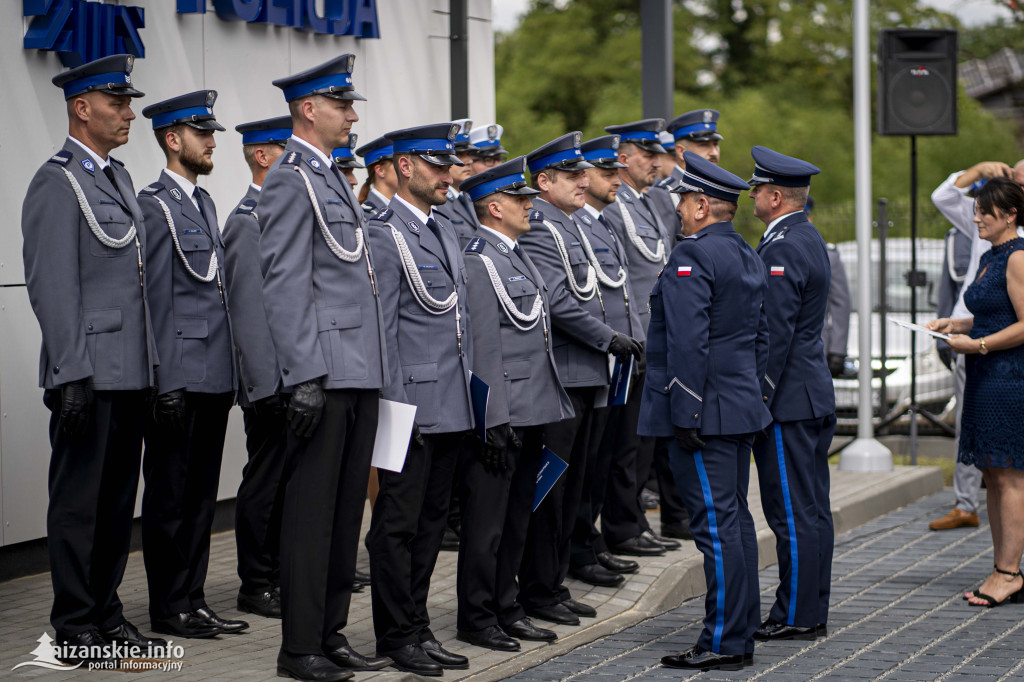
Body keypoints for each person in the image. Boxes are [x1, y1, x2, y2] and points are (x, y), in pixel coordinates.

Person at [23, 54, 163, 662]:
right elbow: (52, 286)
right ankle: (75, 623)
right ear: (83, 108)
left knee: (114, 505)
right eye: (117, 103)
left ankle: (106, 613)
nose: (129, 112)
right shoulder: (56, 181)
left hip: (129, 371)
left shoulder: (118, 179)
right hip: (90, 374)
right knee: (79, 505)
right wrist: (71, 372)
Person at [259, 54, 391, 681]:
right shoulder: (291, 177)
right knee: (312, 517)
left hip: (358, 369)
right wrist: (303, 374)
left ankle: (331, 632)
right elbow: (284, 282)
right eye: (343, 105)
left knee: (344, 514)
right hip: (326, 372)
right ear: (310, 109)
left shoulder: (332, 176)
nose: (353, 115)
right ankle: (299, 646)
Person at [640, 151, 769, 672]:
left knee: (716, 528)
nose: (676, 210)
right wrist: (754, 394)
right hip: (737, 407)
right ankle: (738, 632)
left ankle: (722, 641)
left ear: (698, 205)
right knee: (734, 523)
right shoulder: (746, 253)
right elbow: (761, 337)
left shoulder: (691, 256)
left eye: (681, 202)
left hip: (705, 414)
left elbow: (688, 342)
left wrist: (686, 413)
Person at [516, 132, 643, 627]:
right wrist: (609, 338)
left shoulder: (570, 226)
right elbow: (558, 300)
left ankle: (553, 582)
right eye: (572, 175)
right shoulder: (543, 227)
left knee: (575, 488)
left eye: (582, 173)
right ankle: (539, 589)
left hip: (587, 373)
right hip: (566, 375)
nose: (583, 181)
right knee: (551, 491)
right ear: (544, 182)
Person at [364, 123, 475, 676]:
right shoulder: (383, 233)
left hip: (450, 402)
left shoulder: (442, 229)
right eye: (436, 164)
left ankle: (418, 624)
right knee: (396, 525)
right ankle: (395, 634)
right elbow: (382, 331)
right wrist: (393, 407)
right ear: (405, 167)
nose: (448, 175)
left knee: (431, 526)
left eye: (450, 164)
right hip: (409, 405)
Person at [137, 90, 246, 640]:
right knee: (170, 497)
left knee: (201, 497)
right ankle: (168, 605)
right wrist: (166, 380)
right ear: (173, 139)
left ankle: (194, 597)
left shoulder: (203, 203)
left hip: (214, 375)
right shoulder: (152, 205)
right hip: (181, 376)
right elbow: (153, 297)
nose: (211, 142)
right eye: (202, 133)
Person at [456, 156, 574, 651]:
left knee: (517, 519)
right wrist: (493, 417)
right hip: (504, 413)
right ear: (495, 206)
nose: (531, 206)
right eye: (522, 200)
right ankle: (478, 617)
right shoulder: (479, 259)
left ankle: (508, 605)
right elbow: (482, 347)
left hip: (532, 408)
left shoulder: (516, 253)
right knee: (486, 526)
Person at [748, 146, 836, 642]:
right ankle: (808, 607)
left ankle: (797, 615)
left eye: (757, 188)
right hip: (808, 392)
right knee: (811, 508)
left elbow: (774, 335)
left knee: (792, 511)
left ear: (776, 196)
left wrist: (759, 396)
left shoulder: (782, 246)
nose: (753, 195)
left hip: (788, 400)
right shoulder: (804, 235)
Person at [928, 177, 1024, 608]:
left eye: (986, 211)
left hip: (1008, 378)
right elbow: (992, 312)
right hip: (987, 374)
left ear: (1010, 215)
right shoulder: (993, 254)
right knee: (992, 473)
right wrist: (956, 325)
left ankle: (1009, 573)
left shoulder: (1018, 258)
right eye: (977, 208)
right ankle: (1003, 566)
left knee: (1009, 476)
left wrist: (979, 344)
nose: (976, 216)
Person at [221, 115, 292, 620]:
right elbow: (248, 312)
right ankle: (257, 582)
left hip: (301, 377)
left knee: (291, 483)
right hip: (273, 383)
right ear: (263, 156)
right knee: (266, 482)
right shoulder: (249, 220)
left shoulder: (286, 215)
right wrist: (268, 386)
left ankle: (285, 574)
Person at [600, 118, 681, 557]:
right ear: (624, 158)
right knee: (627, 443)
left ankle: (634, 522)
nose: (657, 162)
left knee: (645, 438)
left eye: (657, 155)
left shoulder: (649, 202)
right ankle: (622, 525)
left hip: (654, 334)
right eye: (648, 155)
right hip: (632, 336)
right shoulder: (616, 206)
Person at [569, 134, 645, 586]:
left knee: (605, 457)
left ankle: (589, 540)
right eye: (604, 172)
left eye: (617, 170)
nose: (617, 179)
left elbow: (622, 293)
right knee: (591, 462)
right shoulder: (570, 225)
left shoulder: (602, 223)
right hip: (593, 357)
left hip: (616, 359)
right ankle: (582, 545)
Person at [647, 109, 724, 239]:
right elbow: (666, 248)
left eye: (715, 144)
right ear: (681, 151)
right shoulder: (663, 193)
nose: (714, 152)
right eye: (704, 145)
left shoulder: (716, 188)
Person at [438, 118, 479, 245]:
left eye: (469, 154)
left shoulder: (469, 199)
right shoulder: (438, 203)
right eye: (460, 155)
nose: (469, 161)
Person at [356, 135, 397, 219]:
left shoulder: (401, 207)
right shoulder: (367, 215)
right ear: (380, 170)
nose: (406, 169)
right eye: (397, 163)